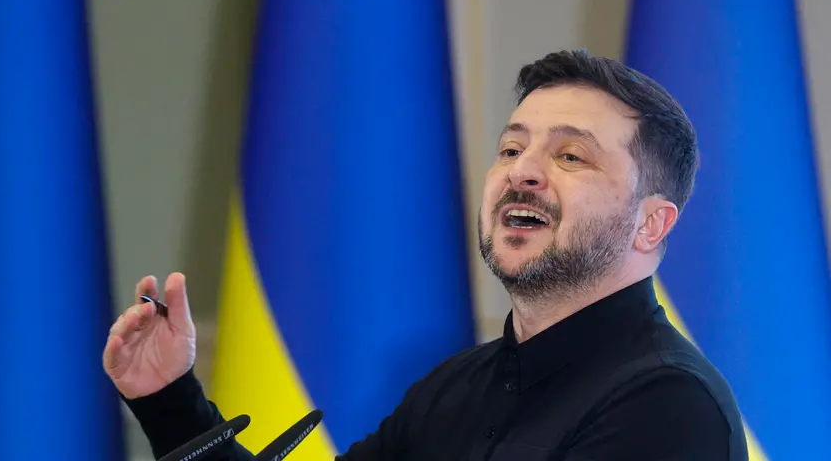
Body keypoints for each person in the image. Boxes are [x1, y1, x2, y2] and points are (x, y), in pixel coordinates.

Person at [103, 50, 749, 460]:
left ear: (650, 224)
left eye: (570, 155)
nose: (522, 171)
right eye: (511, 148)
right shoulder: (455, 388)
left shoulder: (669, 405)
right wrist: (168, 397)